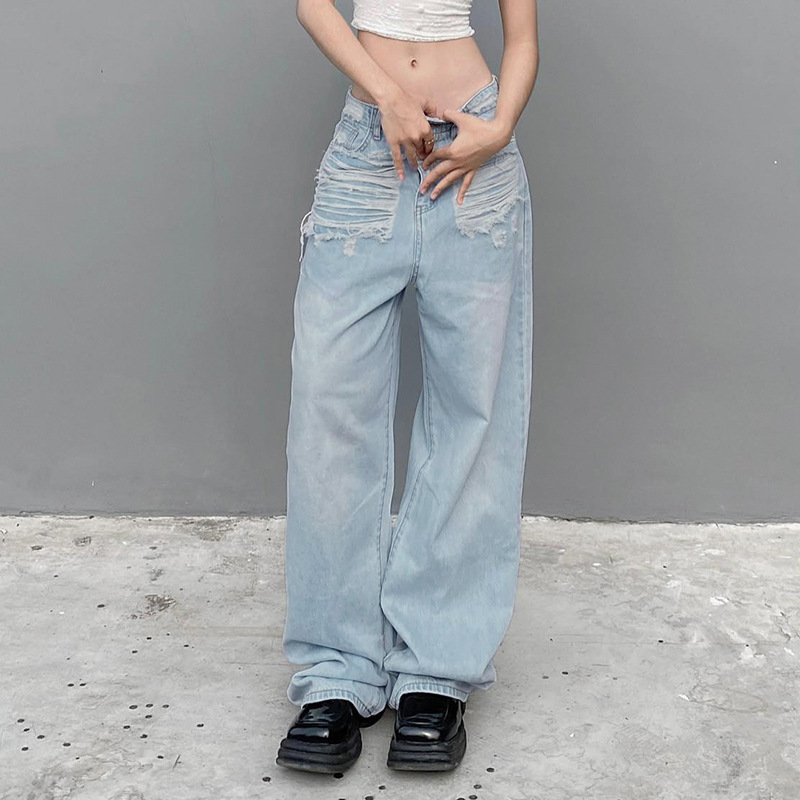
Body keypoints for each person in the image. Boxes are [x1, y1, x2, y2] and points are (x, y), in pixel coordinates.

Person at [277, 0, 539, 774]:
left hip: (473, 152)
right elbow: (312, 5)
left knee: (473, 414)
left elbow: (523, 39)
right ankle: (336, 670)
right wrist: (386, 94)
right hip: (369, 151)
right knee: (329, 415)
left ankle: (435, 667)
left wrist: (501, 126)